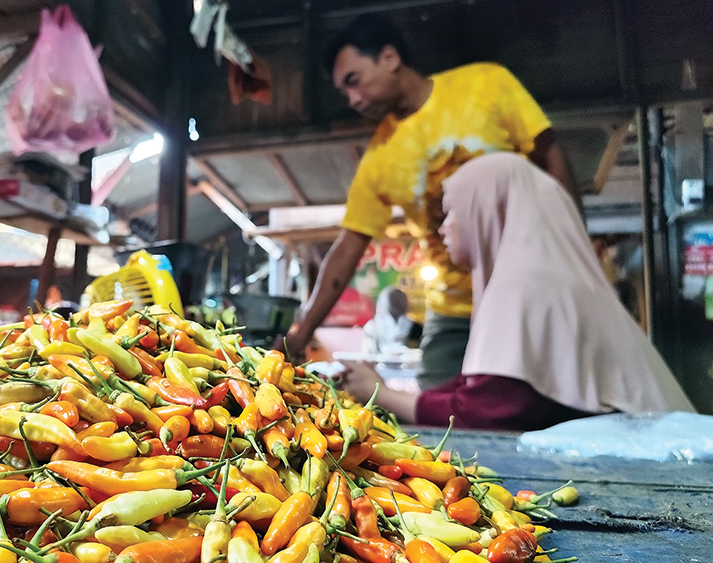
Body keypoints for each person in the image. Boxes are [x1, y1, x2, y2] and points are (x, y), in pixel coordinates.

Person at [282, 14, 576, 390]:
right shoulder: (379, 158)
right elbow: (347, 248)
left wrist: (574, 250)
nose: (353, 100)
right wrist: (301, 333)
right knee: (435, 425)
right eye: (344, 93)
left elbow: (550, 156)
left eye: (353, 81)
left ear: (389, 57)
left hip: (531, 298)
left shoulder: (486, 84)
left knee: (543, 416)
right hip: (453, 313)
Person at [342, 153, 695, 431]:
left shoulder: (525, 285)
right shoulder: (541, 278)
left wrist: (382, 395)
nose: (444, 229)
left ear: (485, 211)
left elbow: (487, 412)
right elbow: (475, 387)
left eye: (452, 213)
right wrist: (382, 388)